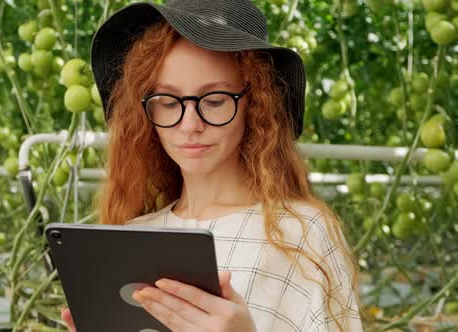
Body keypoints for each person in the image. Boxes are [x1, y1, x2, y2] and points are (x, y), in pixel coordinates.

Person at [61, 0, 363, 331]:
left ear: (257, 105)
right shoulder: (132, 237)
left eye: (215, 100)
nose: (189, 124)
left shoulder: (301, 233)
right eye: (166, 101)